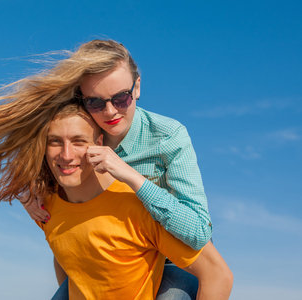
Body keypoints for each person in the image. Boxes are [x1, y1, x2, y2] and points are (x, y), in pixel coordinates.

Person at [0, 39, 212, 299]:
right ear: (82, 99)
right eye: (95, 101)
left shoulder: (168, 136)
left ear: (137, 87)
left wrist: (131, 177)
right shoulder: (74, 131)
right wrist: (26, 188)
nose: (109, 112)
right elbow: (37, 154)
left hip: (171, 260)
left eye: (121, 98)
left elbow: (199, 232)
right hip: (99, 259)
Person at [40, 102, 232, 299]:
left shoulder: (139, 207)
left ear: (99, 144)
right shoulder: (44, 205)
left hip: (173, 256)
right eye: (54, 141)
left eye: (78, 141)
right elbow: (67, 251)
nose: (66, 155)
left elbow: (217, 274)